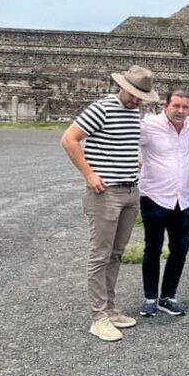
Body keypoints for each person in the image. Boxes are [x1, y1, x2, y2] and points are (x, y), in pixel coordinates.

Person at [60, 65, 159, 342]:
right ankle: (98, 316)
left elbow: (124, 142)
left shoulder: (133, 112)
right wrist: (89, 174)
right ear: (122, 87)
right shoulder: (101, 108)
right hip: (106, 193)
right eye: (134, 94)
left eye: (142, 96)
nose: (137, 99)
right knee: (99, 254)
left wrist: (133, 160)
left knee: (116, 253)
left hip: (130, 191)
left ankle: (110, 308)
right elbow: (69, 139)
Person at [138, 90, 189, 318]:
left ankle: (167, 296)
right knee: (152, 249)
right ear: (165, 105)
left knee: (179, 250)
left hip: (182, 199)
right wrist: (138, 161)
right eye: (176, 106)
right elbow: (124, 139)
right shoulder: (149, 125)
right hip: (154, 197)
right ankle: (150, 297)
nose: (181, 111)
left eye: (185, 107)